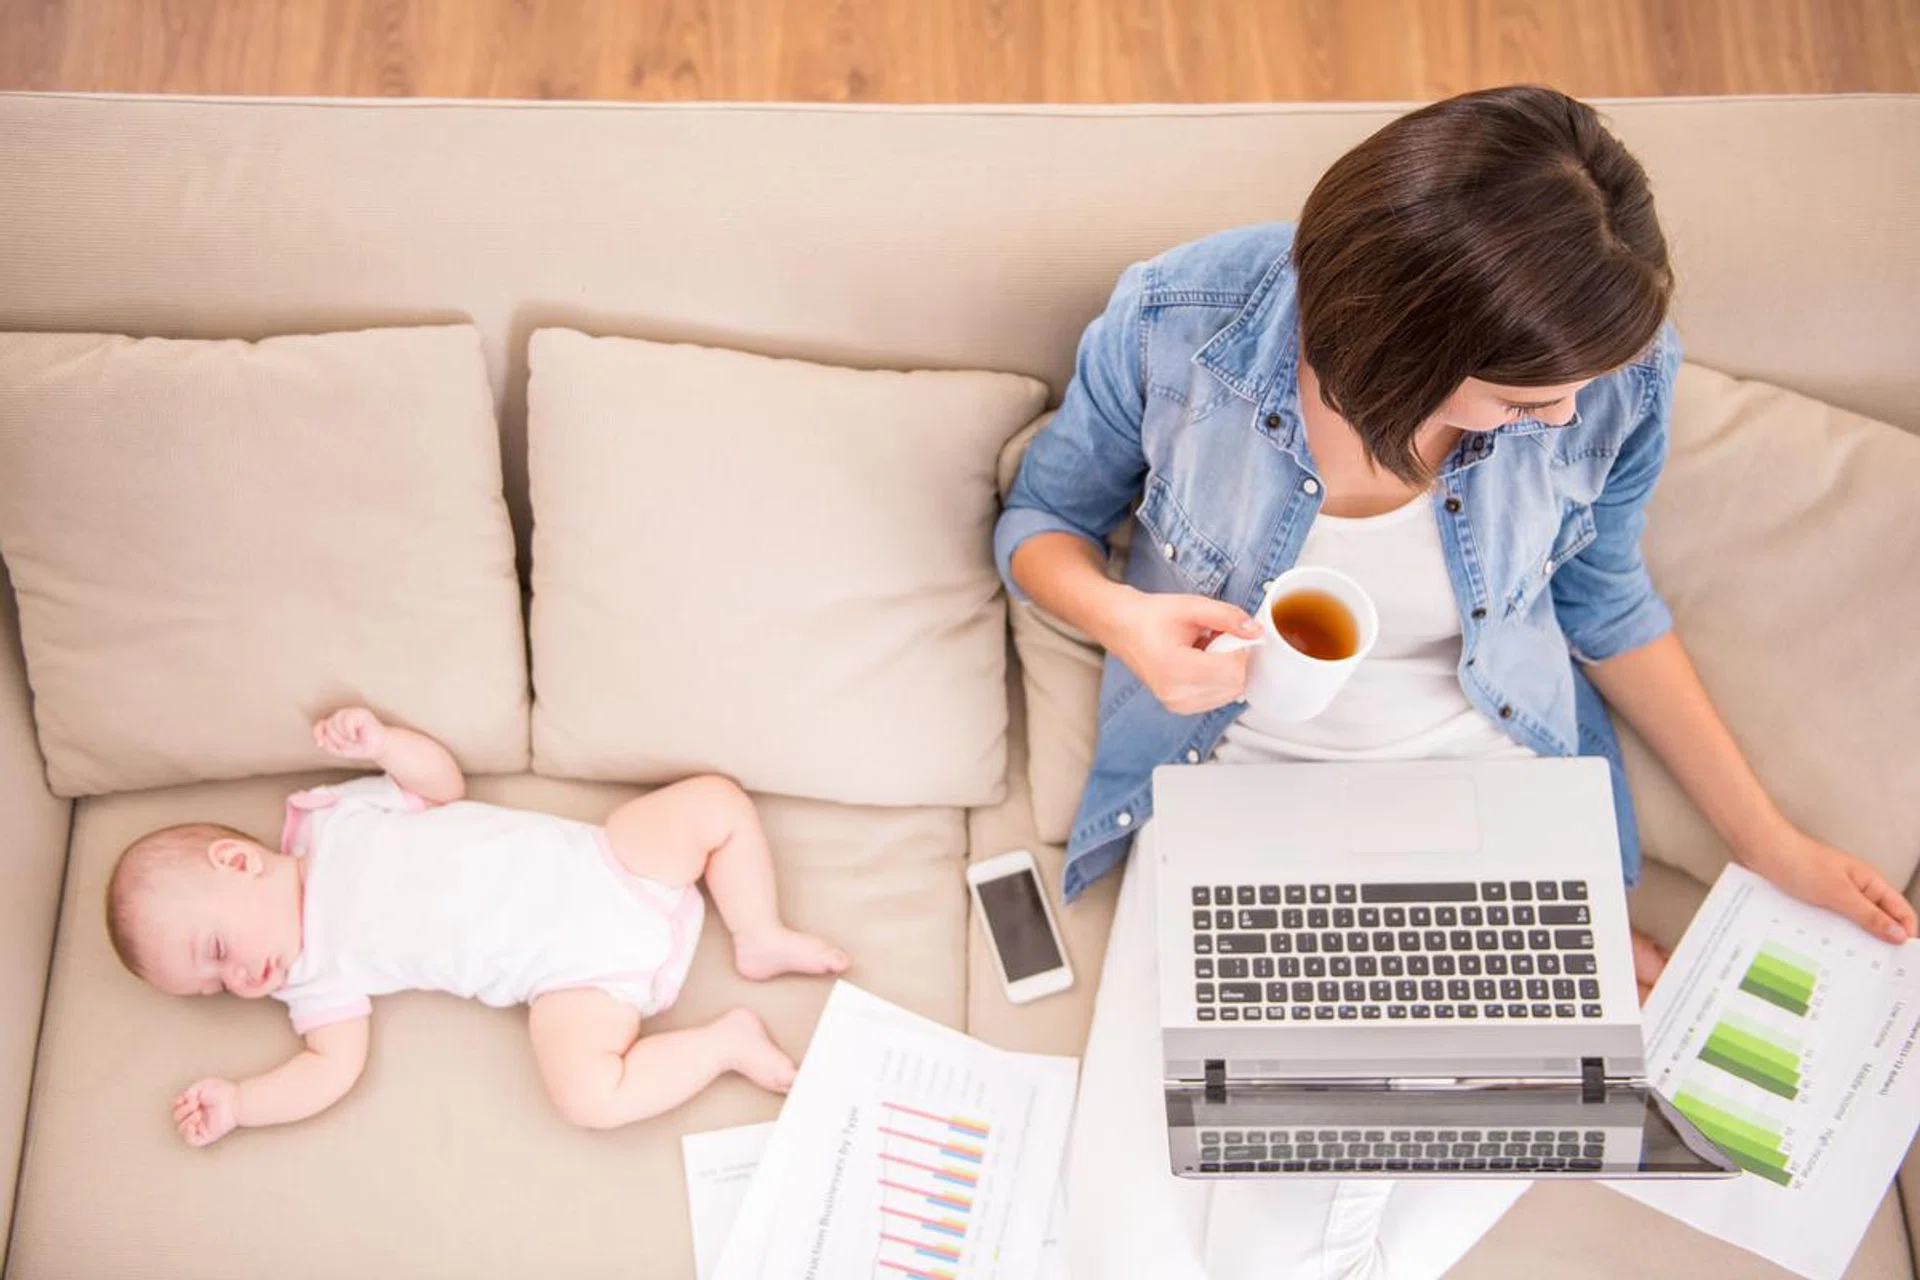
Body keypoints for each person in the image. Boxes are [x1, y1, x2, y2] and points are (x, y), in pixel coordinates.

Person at [995, 85, 1916, 1279]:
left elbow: (1606, 602)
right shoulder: (1182, 319)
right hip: (1236, 773)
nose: (1572, 413)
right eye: (1531, 401)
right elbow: (1043, 519)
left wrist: (1767, 838)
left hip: (1488, 767)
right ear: (1408, 353)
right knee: (1149, 1230)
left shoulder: (1617, 377)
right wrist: (1127, 619)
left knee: (1380, 1198)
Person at [106, 706, 849, 1148]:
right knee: (588, 1098)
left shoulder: (335, 820)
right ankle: (723, 1044)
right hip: (568, 981)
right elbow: (329, 1071)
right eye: (215, 989)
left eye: (217, 951)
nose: (238, 980)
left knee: (715, 802)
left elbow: (440, 786)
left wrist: (382, 744)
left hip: (608, 862)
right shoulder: (311, 979)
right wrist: (242, 1104)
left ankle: (758, 932)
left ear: (237, 861)